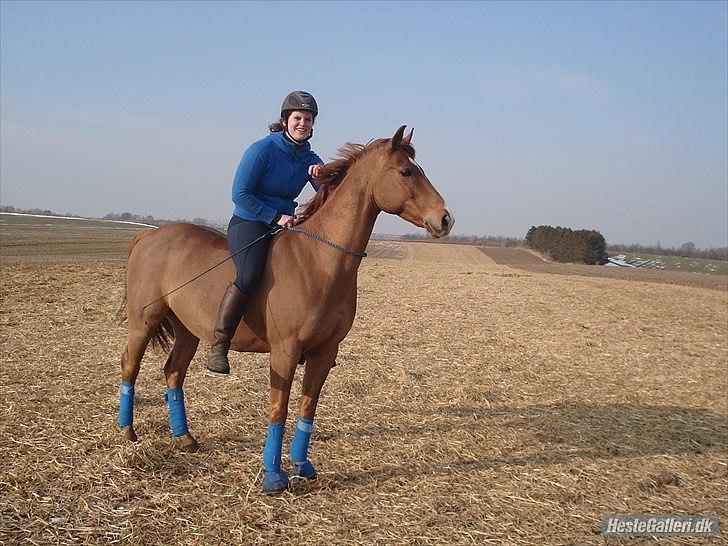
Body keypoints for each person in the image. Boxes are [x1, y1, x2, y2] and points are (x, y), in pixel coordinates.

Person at [207, 91, 324, 374]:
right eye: (297, 118)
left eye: (308, 119)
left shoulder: (310, 158)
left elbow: (326, 196)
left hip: (285, 225)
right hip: (250, 221)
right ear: (285, 120)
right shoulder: (262, 149)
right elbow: (240, 193)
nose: (303, 124)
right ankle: (219, 344)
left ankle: (296, 338)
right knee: (249, 275)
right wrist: (274, 216)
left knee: (299, 274)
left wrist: (324, 179)